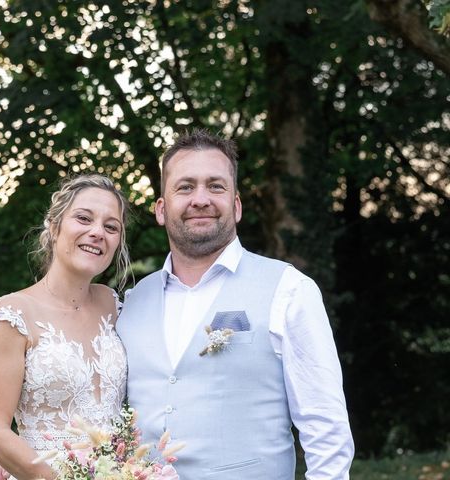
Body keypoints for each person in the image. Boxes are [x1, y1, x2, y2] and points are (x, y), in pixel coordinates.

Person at [116, 129, 354, 479]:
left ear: (236, 205)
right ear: (161, 210)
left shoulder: (288, 289)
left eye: (216, 186)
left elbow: (326, 428)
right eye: (185, 187)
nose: (201, 199)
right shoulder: (132, 303)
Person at [0, 174, 131, 480]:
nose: (97, 232)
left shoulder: (113, 306)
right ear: (54, 226)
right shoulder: (12, 314)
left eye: (111, 227)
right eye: (84, 218)